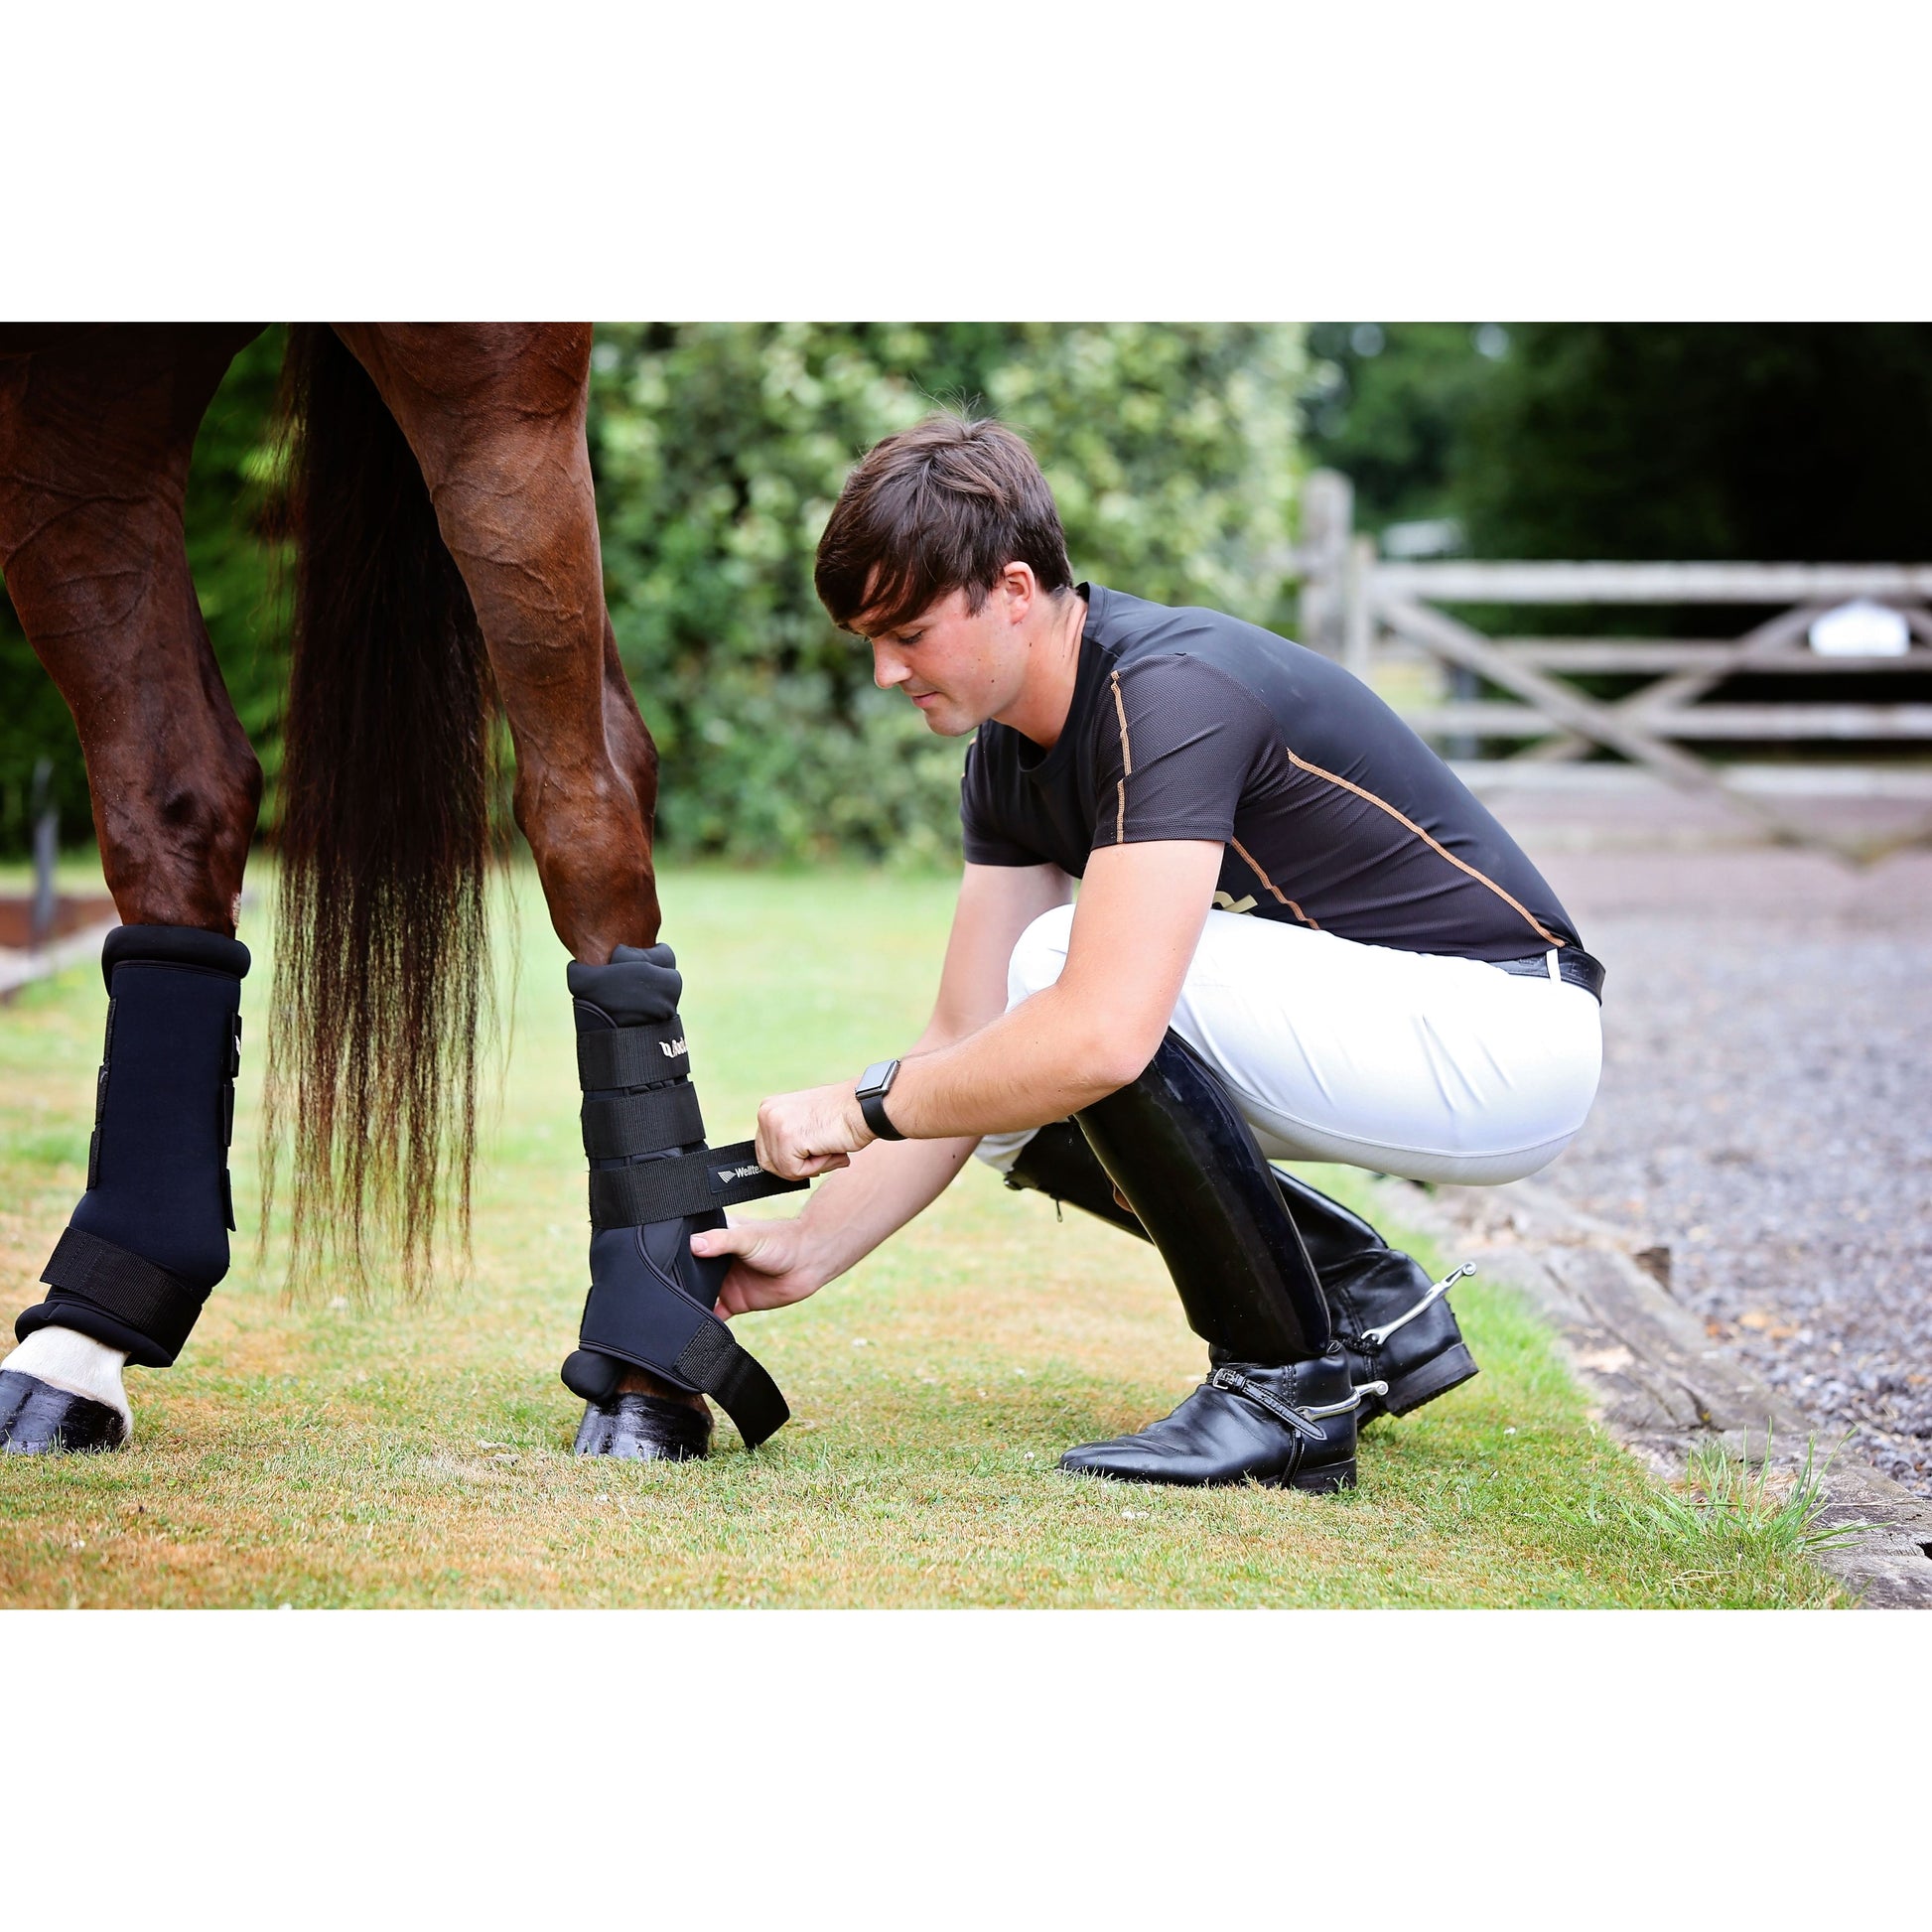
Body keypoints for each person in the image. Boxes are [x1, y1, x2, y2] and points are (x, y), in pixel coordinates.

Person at [692, 415, 1603, 1491]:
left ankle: (1285, 1387)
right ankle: (1361, 1304)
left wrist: (857, 1103)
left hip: (1504, 1032)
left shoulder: (1163, 690)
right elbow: (958, 1040)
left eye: (909, 631)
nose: (887, 672)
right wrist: (807, 1248)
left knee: (1063, 984)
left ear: (1015, 589)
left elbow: (1100, 1029)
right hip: (1399, 1034)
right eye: (868, 642)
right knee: (995, 1070)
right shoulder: (1005, 755)